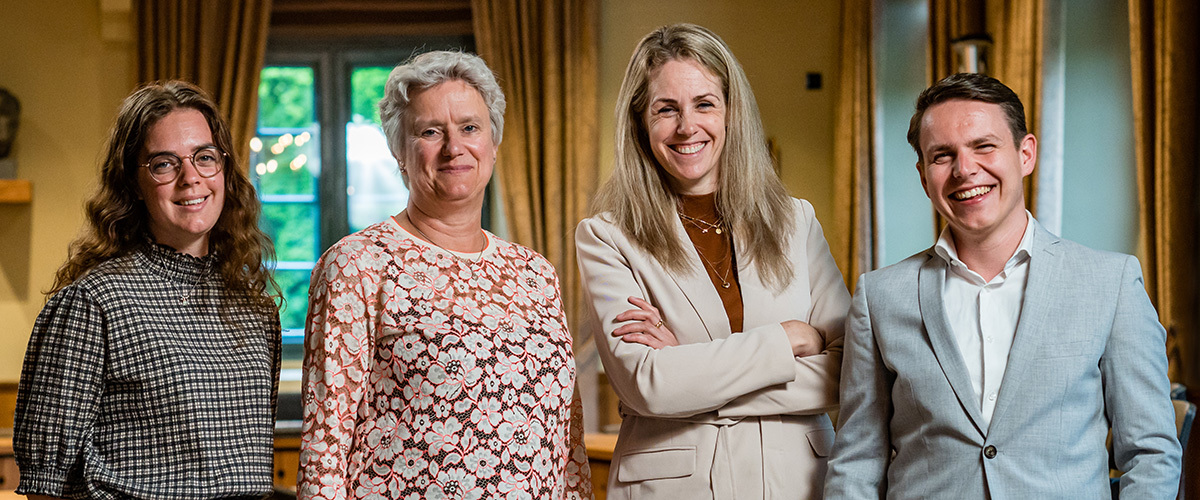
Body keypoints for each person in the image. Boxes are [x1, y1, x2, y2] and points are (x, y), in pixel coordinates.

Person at [824, 73, 1182, 498]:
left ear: (1026, 153)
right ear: (923, 176)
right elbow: (857, 462)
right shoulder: (879, 297)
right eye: (942, 156)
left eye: (984, 146)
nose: (964, 169)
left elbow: (1151, 453)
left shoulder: (1111, 282)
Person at [297, 50, 592, 500]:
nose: (454, 147)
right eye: (430, 132)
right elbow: (325, 447)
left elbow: (567, 446)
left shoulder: (536, 273)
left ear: (493, 142)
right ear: (399, 152)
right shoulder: (357, 265)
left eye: (470, 128)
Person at [576, 23, 851, 499]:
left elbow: (848, 373)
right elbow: (648, 386)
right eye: (667, 109)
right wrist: (787, 339)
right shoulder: (606, 237)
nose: (687, 126)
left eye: (705, 103)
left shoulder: (795, 220)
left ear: (731, 112)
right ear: (641, 121)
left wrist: (691, 374)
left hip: (798, 485)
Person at [13, 81, 282, 498]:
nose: (190, 178)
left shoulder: (254, 307)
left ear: (224, 170)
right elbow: (45, 487)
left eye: (205, 158)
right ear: (134, 183)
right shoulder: (93, 302)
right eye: (163, 164)